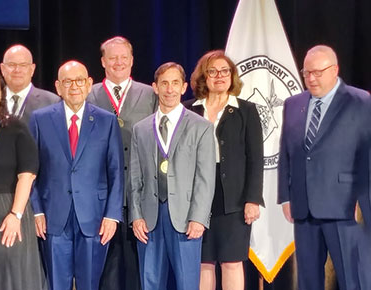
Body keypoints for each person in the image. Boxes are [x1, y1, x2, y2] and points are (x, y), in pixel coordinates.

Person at [278, 45, 371, 290]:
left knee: (352, 278)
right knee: (308, 280)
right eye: (307, 72)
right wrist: (286, 197)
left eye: (318, 72)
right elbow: (287, 154)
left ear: (335, 70)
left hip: (344, 207)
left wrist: (363, 203)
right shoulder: (292, 104)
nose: (311, 78)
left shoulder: (360, 101)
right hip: (303, 207)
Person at [29, 60, 124, 290]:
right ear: (58, 87)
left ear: (89, 84)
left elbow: (115, 171)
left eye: (80, 80)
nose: (74, 86)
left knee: (90, 284)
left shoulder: (107, 120)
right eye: (67, 81)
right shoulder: (39, 119)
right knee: (56, 284)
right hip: (53, 216)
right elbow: (30, 170)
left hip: (94, 217)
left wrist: (112, 215)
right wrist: (37, 210)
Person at [129, 62, 216, 290]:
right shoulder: (141, 129)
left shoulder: (201, 127)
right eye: (164, 83)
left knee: (187, 283)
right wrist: (136, 216)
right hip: (149, 219)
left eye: (175, 83)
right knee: (150, 282)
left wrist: (199, 217)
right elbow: (135, 178)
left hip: (186, 218)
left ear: (184, 87)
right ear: (155, 87)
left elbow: (205, 178)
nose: (170, 89)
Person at [184, 50, 264, 290]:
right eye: (213, 71)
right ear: (203, 77)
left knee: (231, 261)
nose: (219, 76)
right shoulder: (188, 109)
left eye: (224, 71)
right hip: (198, 195)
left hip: (235, 198)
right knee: (203, 262)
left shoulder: (246, 110)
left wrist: (252, 199)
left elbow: (255, 159)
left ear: (232, 76)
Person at [87, 36, 157, 290]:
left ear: (132, 60)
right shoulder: (88, 94)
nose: (118, 62)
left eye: (123, 57)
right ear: (103, 61)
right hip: (101, 196)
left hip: (139, 194)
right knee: (106, 268)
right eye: (112, 57)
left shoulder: (151, 94)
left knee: (140, 267)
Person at [0, 69, 45, 290]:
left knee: (8, 277)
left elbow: (27, 174)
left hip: (8, 212)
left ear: (1, 95)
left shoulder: (15, 128)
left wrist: (16, 214)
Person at [0, 44, 59, 124]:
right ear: (2, 69)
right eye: (12, 65)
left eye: (23, 65)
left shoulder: (51, 102)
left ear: (32, 69)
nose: (17, 70)